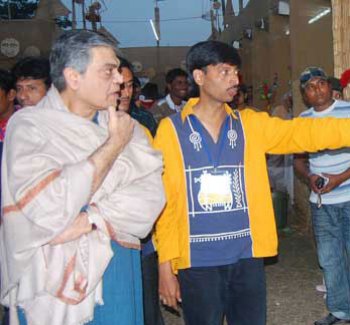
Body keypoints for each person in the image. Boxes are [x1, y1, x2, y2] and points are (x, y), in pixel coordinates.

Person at [154, 40, 350, 325]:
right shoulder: (171, 130)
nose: (234, 79)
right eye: (224, 72)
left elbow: (304, 132)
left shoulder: (249, 124)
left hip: (246, 255)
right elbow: (166, 202)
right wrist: (165, 265)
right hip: (197, 260)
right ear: (199, 77)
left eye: (236, 72)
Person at [0, 30, 165, 325]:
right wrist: (113, 147)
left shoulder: (130, 128)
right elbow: (48, 205)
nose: (119, 80)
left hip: (118, 269)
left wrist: (92, 218)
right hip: (48, 280)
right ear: (73, 77)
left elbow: (151, 199)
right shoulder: (28, 128)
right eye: (108, 71)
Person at [294, 67, 350, 325]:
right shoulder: (303, 120)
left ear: (329, 86)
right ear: (305, 95)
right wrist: (309, 178)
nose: (317, 89)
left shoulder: (348, 112)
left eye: (320, 83)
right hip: (321, 204)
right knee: (329, 259)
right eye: (310, 86)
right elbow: (298, 160)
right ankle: (339, 311)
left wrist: (339, 178)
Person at [116, 56, 164, 325]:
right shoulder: (89, 127)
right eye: (119, 85)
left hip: (142, 237)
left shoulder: (142, 125)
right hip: (109, 236)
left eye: (130, 85)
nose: (125, 92)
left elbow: (156, 177)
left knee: (147, 309)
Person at [117, 58, 157, 136]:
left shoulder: (144, 119)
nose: (127, 93)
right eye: (120, 86)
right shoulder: (94, 119)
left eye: (130, 85)